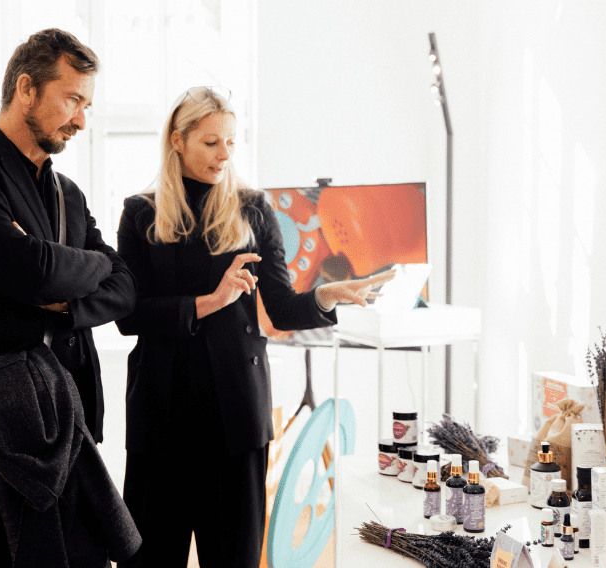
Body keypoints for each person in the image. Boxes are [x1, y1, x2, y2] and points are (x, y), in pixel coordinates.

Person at [115, 86, 396, 566]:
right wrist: (210, 302)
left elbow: (283, 309)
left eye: (231, 142)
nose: (224, 155)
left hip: (235, 417)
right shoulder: (141, 213)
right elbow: (129, 316)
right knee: (149, 557)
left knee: (235, 558)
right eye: (210, 143)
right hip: (162, 419)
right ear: (177, 140)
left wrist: (325, 297)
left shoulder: (253, 208)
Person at [0, 29, 138, 566]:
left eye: (87, 104)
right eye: (72, 99)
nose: (82, 119)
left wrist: (67, 296)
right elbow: (32, 272)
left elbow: (125, 285)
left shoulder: (68, 194)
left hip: (71, 416)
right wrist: (72, 268)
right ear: (25, 88)